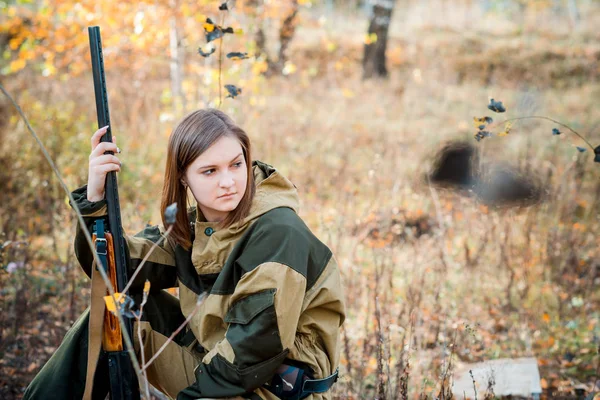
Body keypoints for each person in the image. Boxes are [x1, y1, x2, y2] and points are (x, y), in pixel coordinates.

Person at [23, 109, 346, 400]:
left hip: (268, 389)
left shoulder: (278, 232)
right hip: (217, 370)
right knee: (117, 310)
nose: (228, 181)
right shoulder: (195, 227)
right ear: (183, 177)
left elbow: (255, 350)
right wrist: (95, 197)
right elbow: (114, 268)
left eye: (236, 164)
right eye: (210, 171)